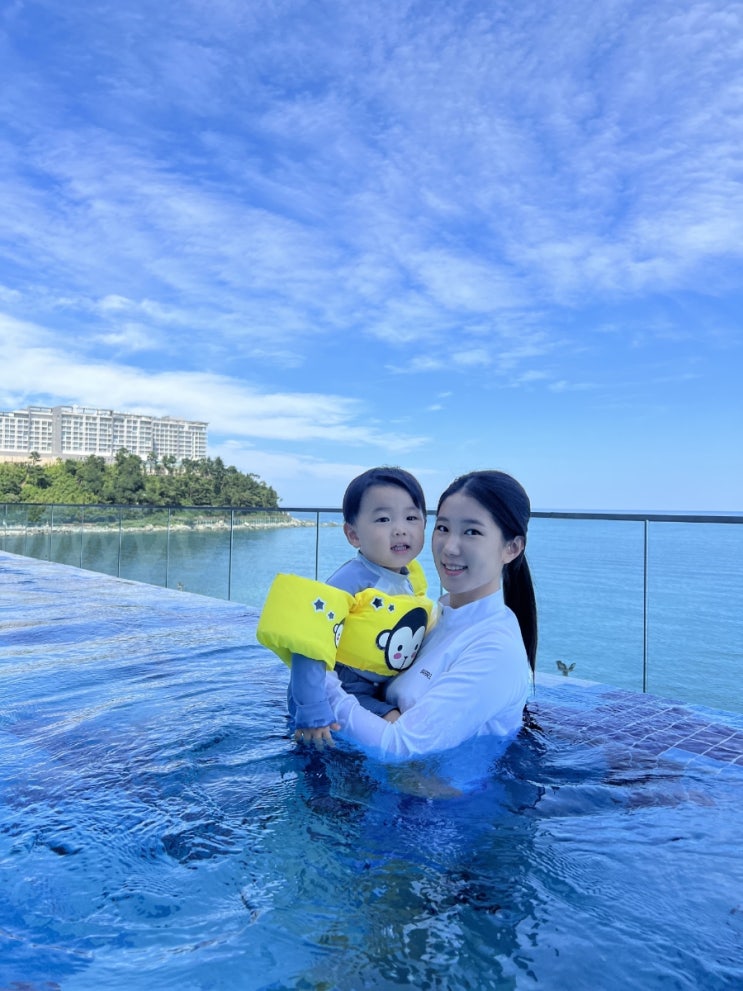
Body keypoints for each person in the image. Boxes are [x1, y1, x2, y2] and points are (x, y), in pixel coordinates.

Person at [325, 469, 538, 760]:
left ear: (511, 548)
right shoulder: (435, 617)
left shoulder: (496, 649)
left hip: (440, 789)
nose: (449, 548)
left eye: (472, 532)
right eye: (443, 528)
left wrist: (320, 683)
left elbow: (401, 746)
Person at [257, 466, 434, 746]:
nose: (401, 529)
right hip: (335, 691)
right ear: (353, 535)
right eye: (384, 519)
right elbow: (310, 644)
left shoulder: (410, 578)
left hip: (374, 687)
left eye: (411, 517)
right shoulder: (352, 580)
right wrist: (312, 708)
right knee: (399, 730)